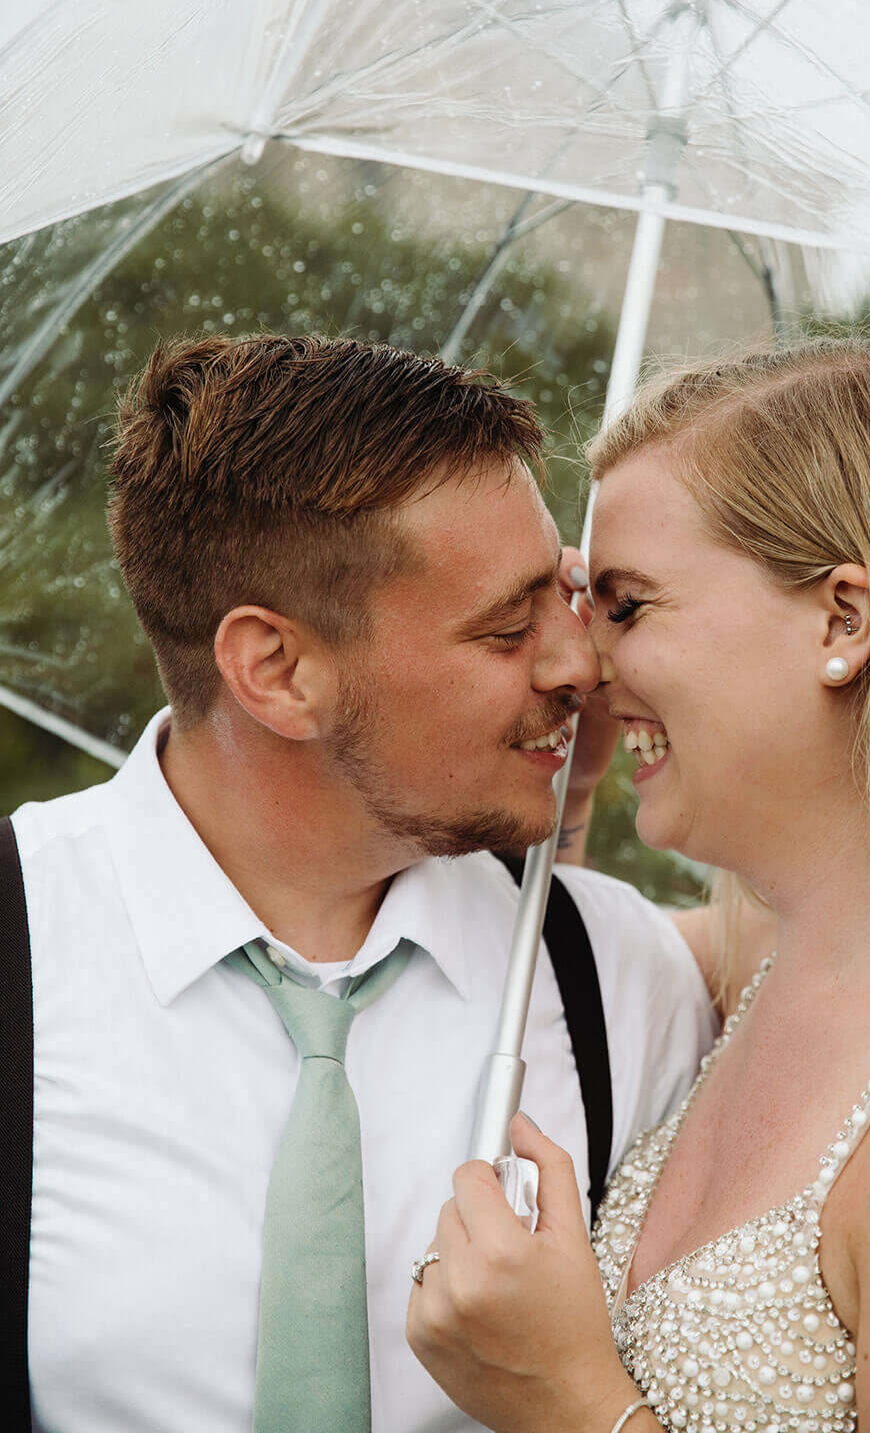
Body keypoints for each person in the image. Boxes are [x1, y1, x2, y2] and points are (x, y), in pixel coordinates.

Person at [12, 333, 714, 1433]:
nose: (579, 664)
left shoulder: (619, 980)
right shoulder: (30, 942)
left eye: (561, 595)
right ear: (277, 669)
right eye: (503, 625)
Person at [408, 337, 870, 1433]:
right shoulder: (755, 970)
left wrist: (567, 1401)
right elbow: (530, 964)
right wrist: (549, 785)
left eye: (626, 607)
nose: (584, 662)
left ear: (842, 620)